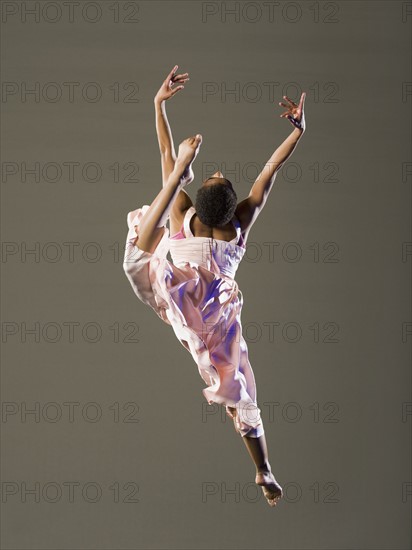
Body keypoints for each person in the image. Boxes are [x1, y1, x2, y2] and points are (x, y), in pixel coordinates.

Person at [123, 65, 306, 507]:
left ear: (200, 199)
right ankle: (263, 470)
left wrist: (158, 105)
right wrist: (297, 133)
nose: (220, 170)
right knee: (237, 390)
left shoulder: (181, 214)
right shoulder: (238, 225)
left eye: (213, 175)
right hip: (215, 315)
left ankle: (263, 469)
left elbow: (165, 148)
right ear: (230, 207)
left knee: (139, 251)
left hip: (180, 298)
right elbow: (268, 175)